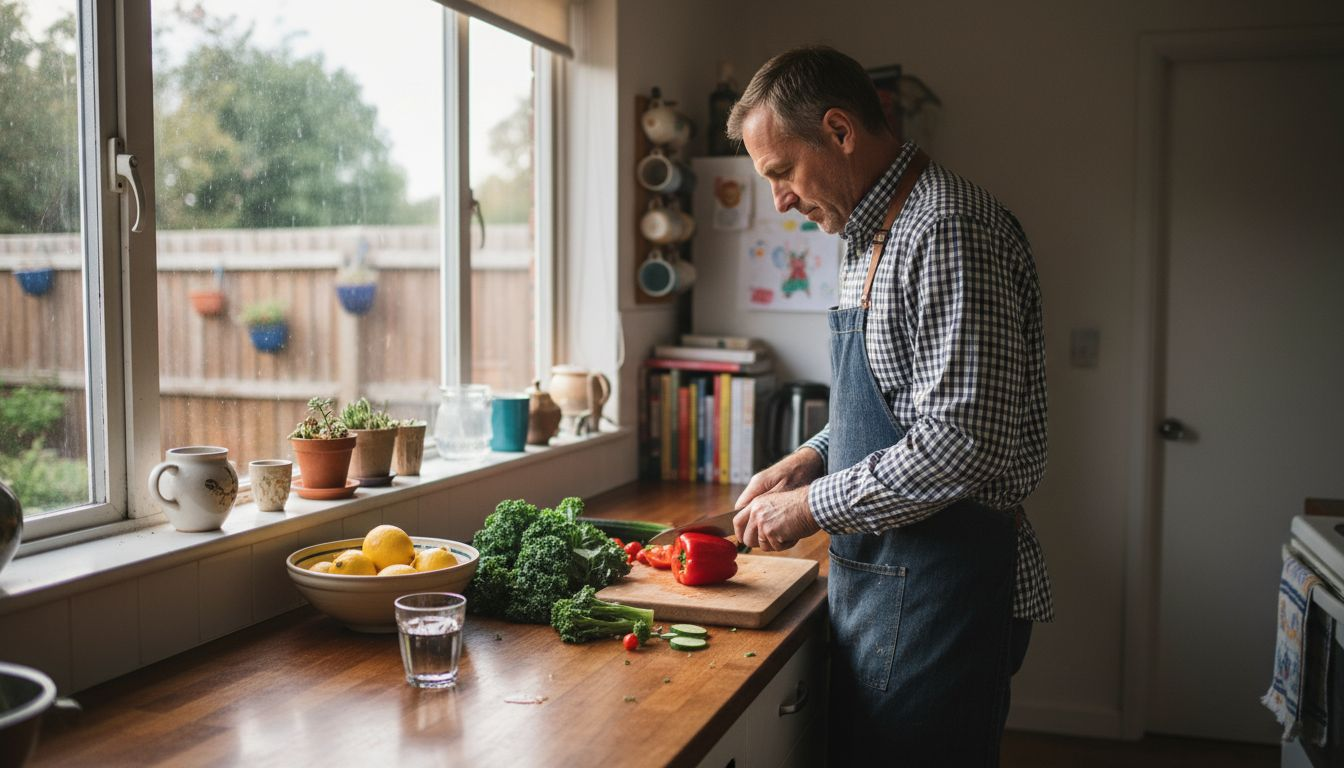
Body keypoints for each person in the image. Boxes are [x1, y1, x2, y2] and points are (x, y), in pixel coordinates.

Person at [725, 46, 1053, 766]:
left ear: (839, 132)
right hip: (887, 582)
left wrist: (808, 508)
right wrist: (808, 459)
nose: (778, 200)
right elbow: (895, 398)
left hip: (948, 591)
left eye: (781, 173)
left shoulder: (946, 228)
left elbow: (962, 440)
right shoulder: (867, 232)